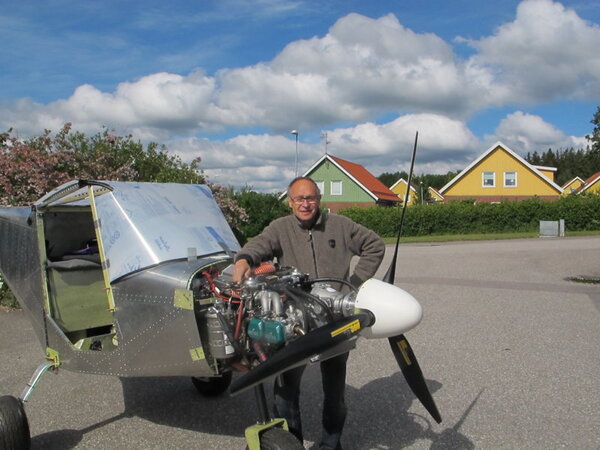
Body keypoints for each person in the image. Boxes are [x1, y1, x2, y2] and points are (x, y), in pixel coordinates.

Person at [232, 177, 385, 450]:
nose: (305, 204)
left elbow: (374, 245)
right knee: (286, 391)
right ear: (290, 202)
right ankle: (291, 443)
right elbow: (258, 245)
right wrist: (243, 259)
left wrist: (353, 284)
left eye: (310, 198)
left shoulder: (341, 225)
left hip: (335, 323)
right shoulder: (280, 228)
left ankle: (331, 444)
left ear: (319, 199)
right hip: (296, 324)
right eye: (299, 199)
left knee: (335, 391)